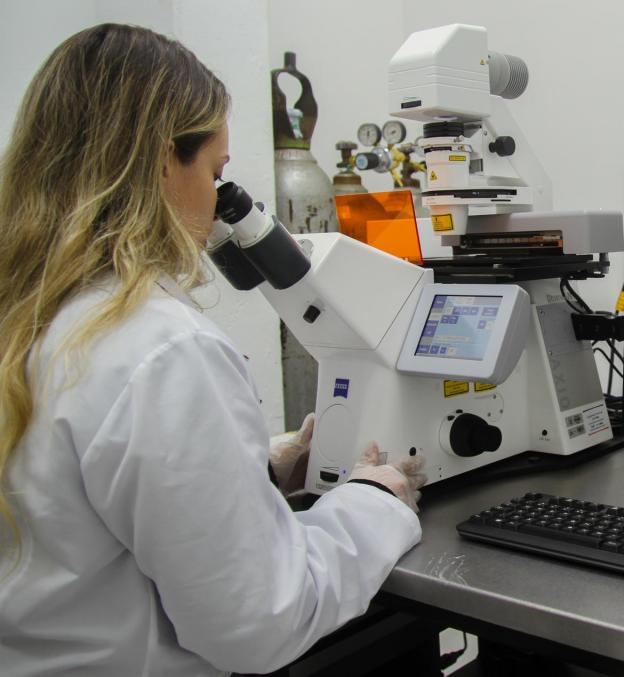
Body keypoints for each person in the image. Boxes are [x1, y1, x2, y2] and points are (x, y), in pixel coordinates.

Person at [0, 24, 427, 676]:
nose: (219, 206)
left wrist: (252, 468)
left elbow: (75, 509)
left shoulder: (29, 315)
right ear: (162, 161)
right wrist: (372, 499)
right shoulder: (160, 347)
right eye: (217, 172)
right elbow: (259, 620)